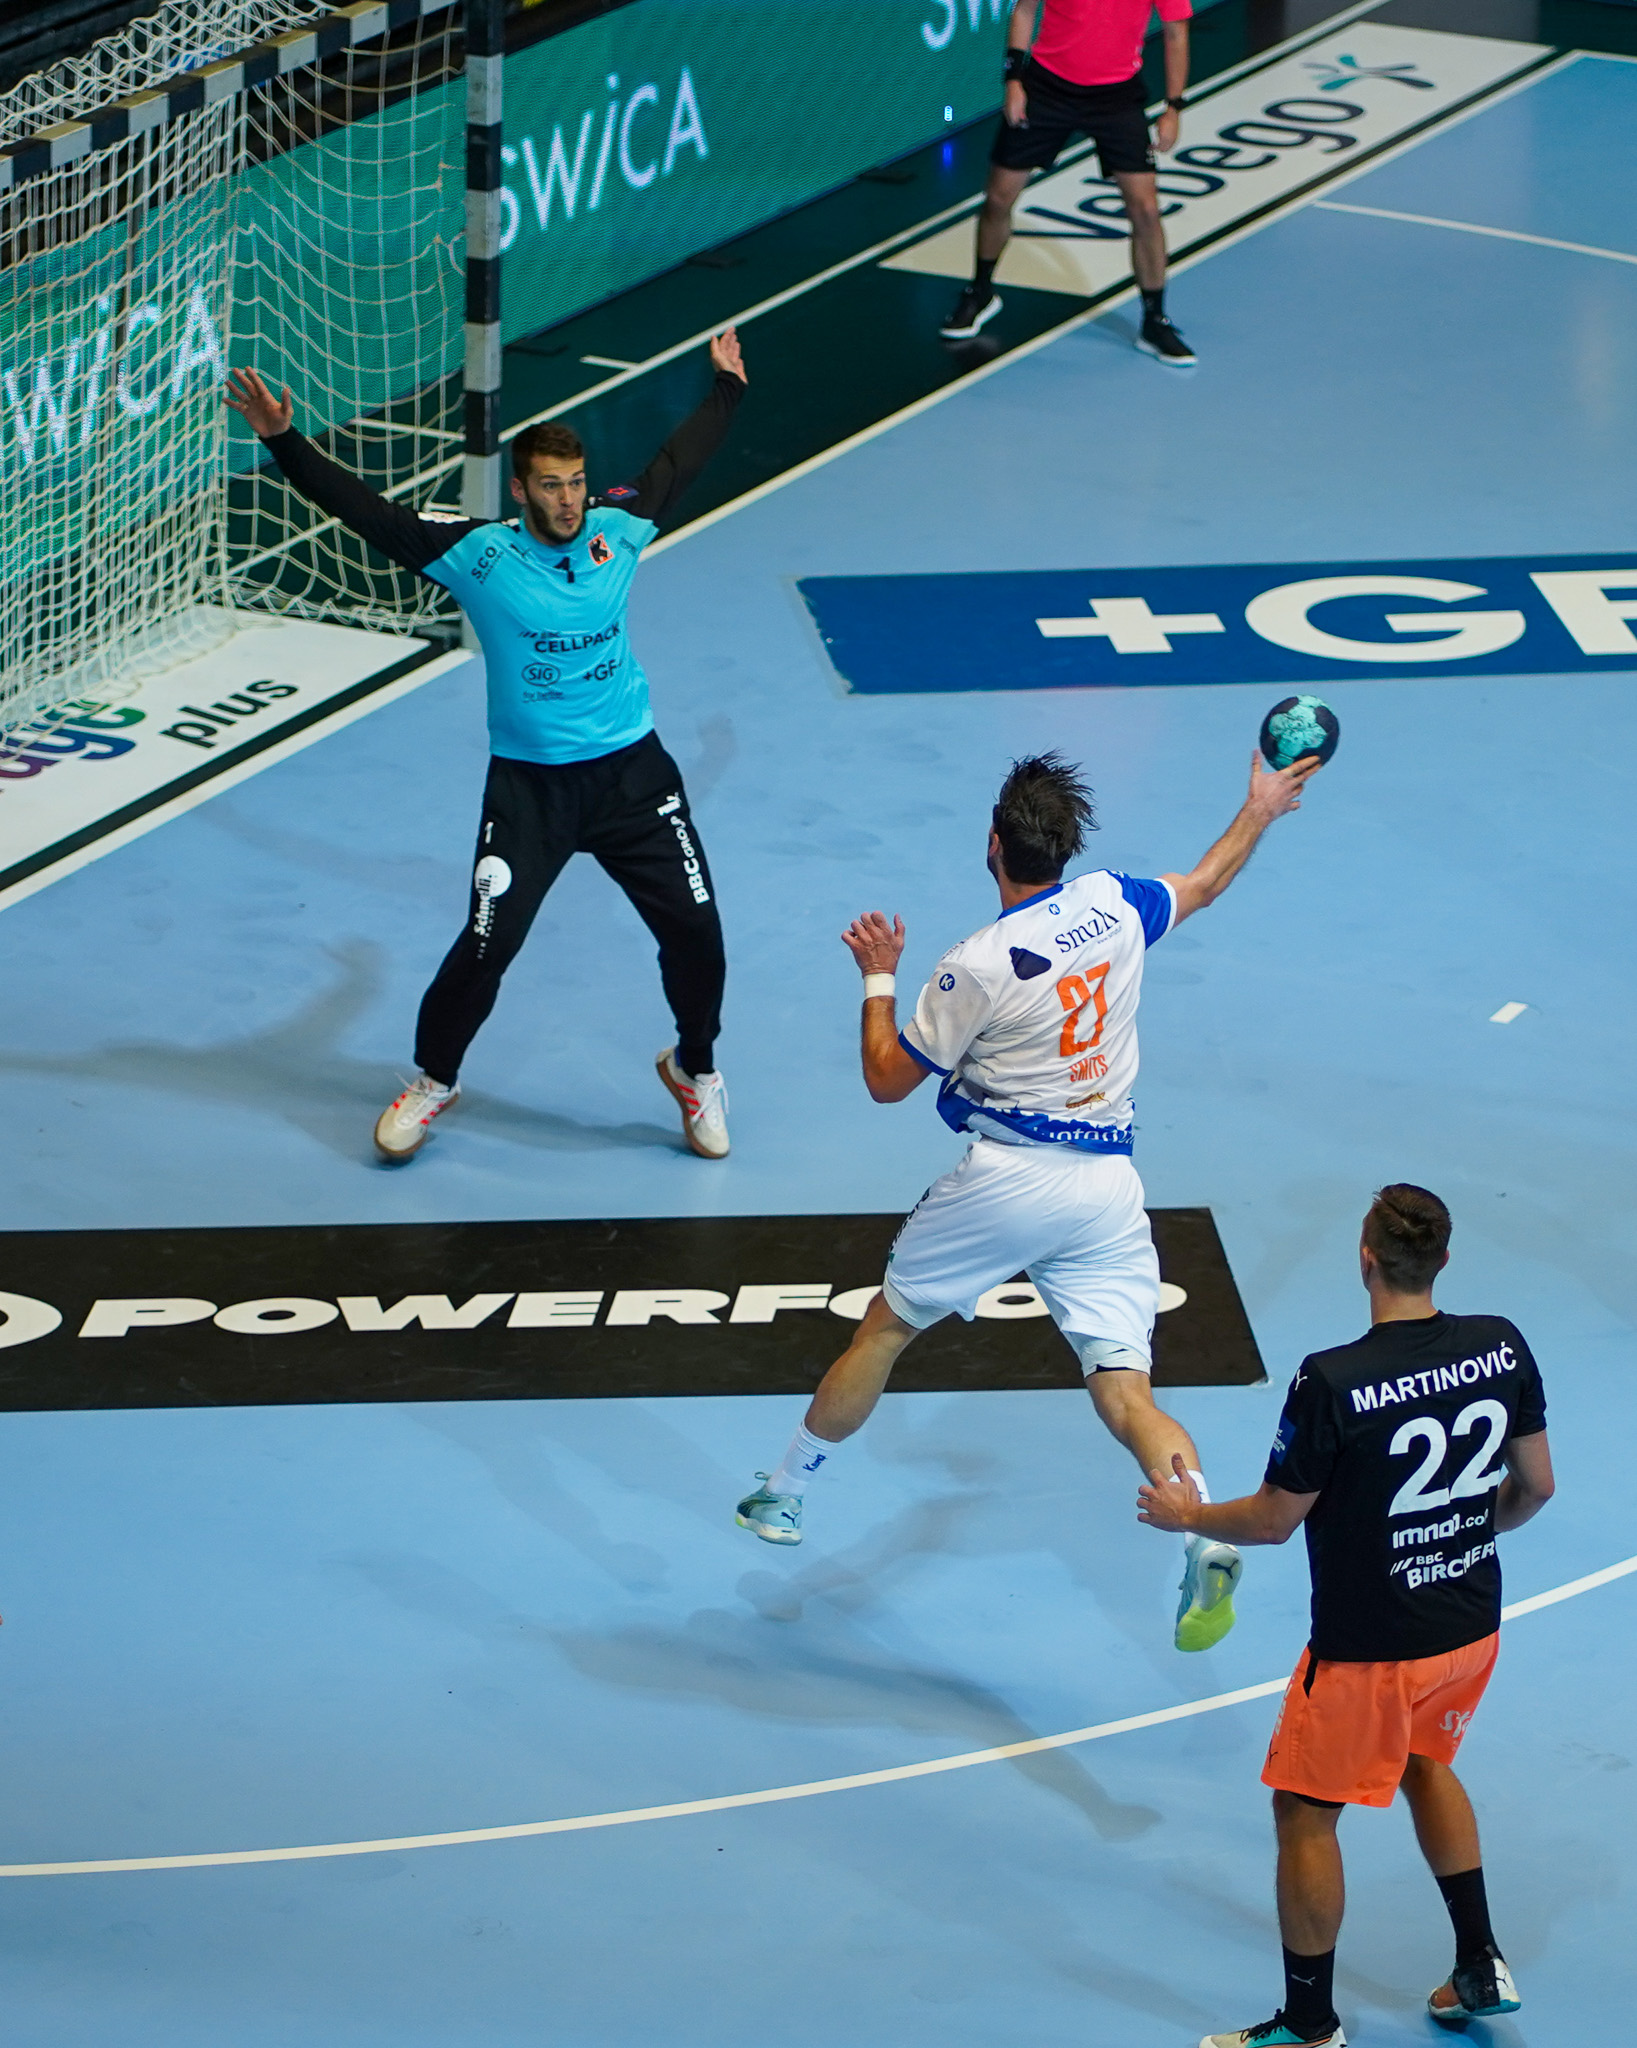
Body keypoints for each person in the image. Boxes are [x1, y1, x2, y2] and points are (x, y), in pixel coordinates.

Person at [735, 747, 1319, 1653]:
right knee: (1128, 1393)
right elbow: (1204, 882)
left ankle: (785, 1490)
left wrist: (878, 976)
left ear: (993, 845)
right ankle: (1199, 1525)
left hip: (1009, 1182)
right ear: (1068, 847)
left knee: (884, 1331)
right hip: (1108, 1191)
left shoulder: (975, 965)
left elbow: (887, 1081)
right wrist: (1261, 807)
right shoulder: (1116, 903)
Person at [223, 334, 748, 1163]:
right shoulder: (479, 553)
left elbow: (680, 458)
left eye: (575, 483)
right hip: (531, 793)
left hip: (634, 779)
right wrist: (283, 440)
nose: (569, 501)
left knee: (698, 936)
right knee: (486, 945)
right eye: (551, 485)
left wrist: (726, 387)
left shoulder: (621, 530)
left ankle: (695, 1069)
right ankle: (435, 1080)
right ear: (520, 488)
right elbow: (367, 512)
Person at [1138, 1184, 1555, 2047]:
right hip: (1469, 1626)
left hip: (1370, 1645)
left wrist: (1188, 1520)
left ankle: (1308, 2024)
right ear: (1442, 1260)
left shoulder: (1333, 1379)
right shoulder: (1499, 1345)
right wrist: (1464, 1533)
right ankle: (1478, 1962)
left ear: (1363, 1258)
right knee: (1424, 1761)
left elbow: (1271, 1519)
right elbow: (1536, 1486)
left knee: (1303, 1810)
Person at [941, 0, 1197, 364]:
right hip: (1047, 89)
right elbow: (1024, 11)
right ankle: (980, 291)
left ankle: (1154, 320)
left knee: (1145, 210)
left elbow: (1176, 32)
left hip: (1117, 96)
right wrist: (1014, 80)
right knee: (998, 199)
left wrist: (1174, 107)